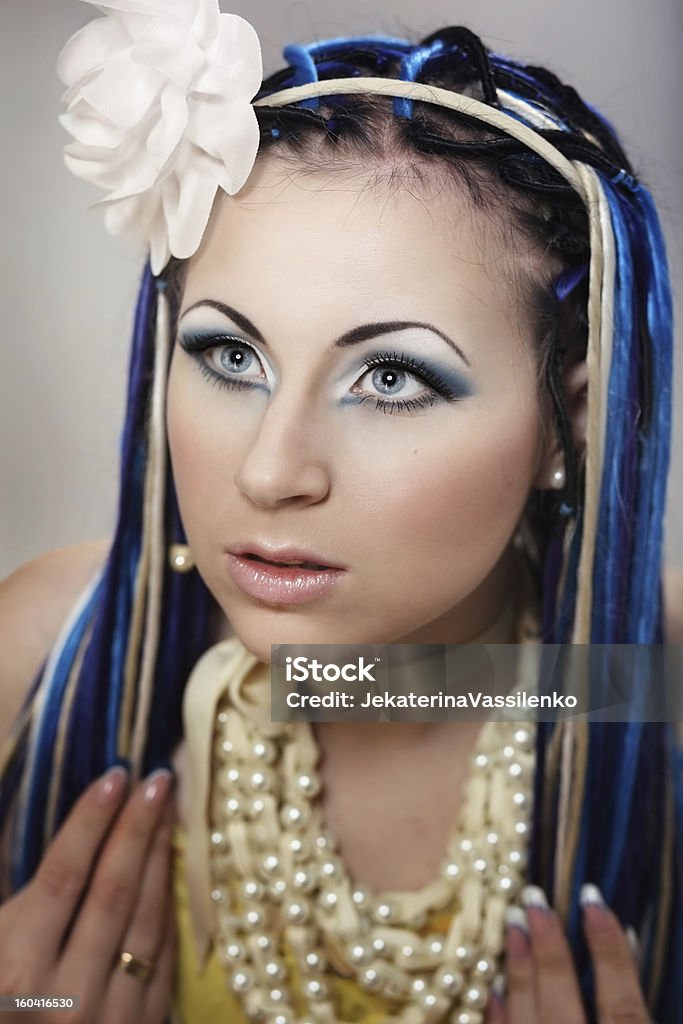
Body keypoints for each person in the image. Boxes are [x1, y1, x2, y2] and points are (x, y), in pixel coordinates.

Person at [0, 2, 681, 1022]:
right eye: (231, 356)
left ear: (566, 420)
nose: (272, 472)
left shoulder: (647, 685)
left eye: (393, 377)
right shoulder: (44, 653)